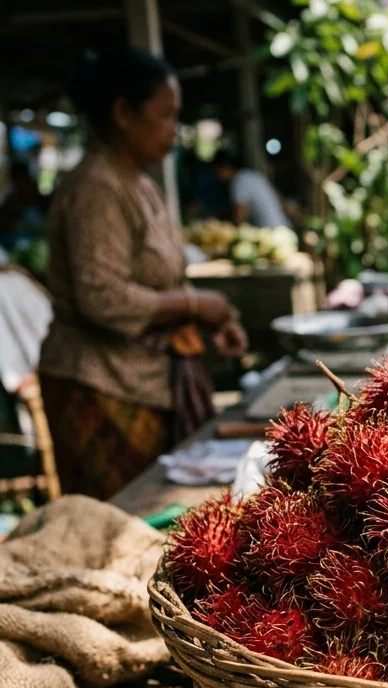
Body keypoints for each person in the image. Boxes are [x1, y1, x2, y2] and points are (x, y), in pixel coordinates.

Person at [38, 47, 247, 500]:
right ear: (122, 113)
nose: (175, 130)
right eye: (166, 116)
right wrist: (195, 305)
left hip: (146, 379)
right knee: (123, 525)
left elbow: (160, 281)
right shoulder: (98, 186)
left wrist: (213, 319)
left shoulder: (141, 183)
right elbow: (103, 297)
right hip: (99, 383)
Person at [213, 151, 292, 229]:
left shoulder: (239, 182)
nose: (217, 176)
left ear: (225, 168)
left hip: (269, 232)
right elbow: (279, 199)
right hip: (283, 227)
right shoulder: (253, 175)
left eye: (217, 171)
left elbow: (240, 215)